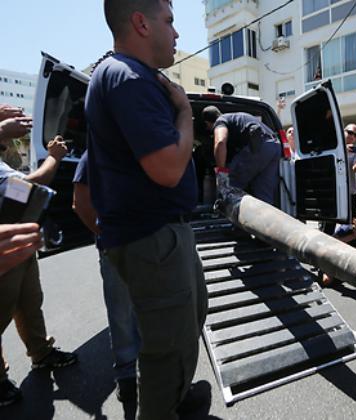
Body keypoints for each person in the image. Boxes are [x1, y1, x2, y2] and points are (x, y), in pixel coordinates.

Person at [85, 1, 208, 419]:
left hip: (161, 236)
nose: (176, 34)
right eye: (170, 21)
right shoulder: (125, 78)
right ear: (141, 23)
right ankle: (162, 407)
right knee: (166, 349)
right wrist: (186, 112)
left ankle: (175, 396)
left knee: (183, 326)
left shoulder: (134, 78)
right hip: (152, 239)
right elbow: (169, 168)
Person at [0, 116, 77, 406]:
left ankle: (41, 353)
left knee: (30, 301)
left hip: (17, 242)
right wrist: (54, 158)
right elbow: (29, 185)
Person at [72, 151, 140, 403]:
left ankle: (135, 376)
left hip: (141, 244)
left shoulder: (137, 147)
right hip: (122, 245)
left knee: (128, 312)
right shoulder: (93, 155)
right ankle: (128, 377)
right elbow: (79, 203)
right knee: (123, 312)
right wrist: (105, 234)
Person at [201, 106, 282, 205]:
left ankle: (224, 217)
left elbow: (220, 142)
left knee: (230, 185)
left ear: (207, 123)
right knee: (263, 194)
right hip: (274, 146)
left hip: (258, 146)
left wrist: (221, 173)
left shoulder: (220, 121)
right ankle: (264, 219)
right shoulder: (237, 117)